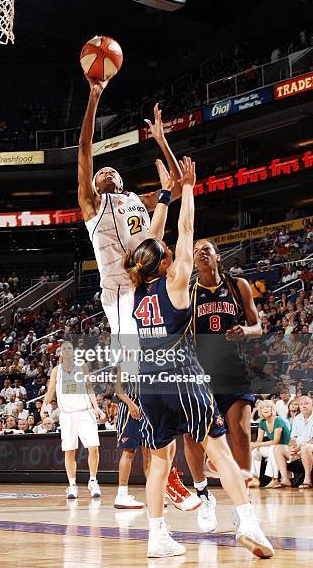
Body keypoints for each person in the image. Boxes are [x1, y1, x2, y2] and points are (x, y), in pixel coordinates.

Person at [124, 157, 273, 559]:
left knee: (159, 463)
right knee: (218, 450)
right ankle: (249, 524)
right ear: (167, 261)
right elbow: (185, 230)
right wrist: (187, 188)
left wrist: (164, 197)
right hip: (183, 377)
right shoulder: (176, 283)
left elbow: (149, 245)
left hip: (148, 384)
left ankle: (157, 538)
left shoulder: (137, 290)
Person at [78, 78, 194, 510]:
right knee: (143, 380)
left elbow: (178, 187)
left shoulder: (135, 202)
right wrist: (93, 98)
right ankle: (168, 476)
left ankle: (170, 470)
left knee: (159, 378)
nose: (106, 170)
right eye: (101, 171)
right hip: (120, 297)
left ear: (122, 180)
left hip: (147, 288)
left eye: (113, 170)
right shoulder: (92, 204)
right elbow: (86, 148)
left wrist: (162, 141)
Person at [184, 238, 262, 532]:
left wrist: (246, 331)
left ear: (218, 256)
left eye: (207, 249)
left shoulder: (237, 286)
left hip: (233, 371)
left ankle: (244, 505)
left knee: (241, 434)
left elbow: (258, 326)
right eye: (196, 252)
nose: (201, 254)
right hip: (200, 374)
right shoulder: (189, 292)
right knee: (192, 439)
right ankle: (204, 496)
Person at [42, 341, 102, 499]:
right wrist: (43, 407)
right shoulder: (57, 371)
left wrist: (96, 407)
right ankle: (72, 485)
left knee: (93, 448)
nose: (67, 351)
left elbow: (89, 388)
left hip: (85, 412)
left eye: (70, 348)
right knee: (70, 451)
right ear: (61, 353)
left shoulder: (81, 366)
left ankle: (93, 481)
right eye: (64, 349)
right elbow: (50, 391)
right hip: (67, 415)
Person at [273, 394, 313, 488]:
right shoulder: (297, 418)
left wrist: (298, 448)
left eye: (306, 403)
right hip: (299, 448)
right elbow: (293, 438)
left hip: (309, 447)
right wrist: (292, 448)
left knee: (305, 447)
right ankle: (285, 479)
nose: (303, 406)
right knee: (278, 448)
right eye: (301, 404)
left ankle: (307, 480)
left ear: (312, 404)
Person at [249, 400, 290, 488]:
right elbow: (259, 440)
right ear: (260, 411)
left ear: (272, 409)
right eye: (263, 408)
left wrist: (257, 444)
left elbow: (276, 441)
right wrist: (253, 445)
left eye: (268, 407)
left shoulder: (278, 420)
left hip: (285, 448)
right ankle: (254, 478)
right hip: (275, 447)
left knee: (273, 448)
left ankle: (274, 479)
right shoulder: (262, 422)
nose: (265, 409)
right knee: (255, 451)